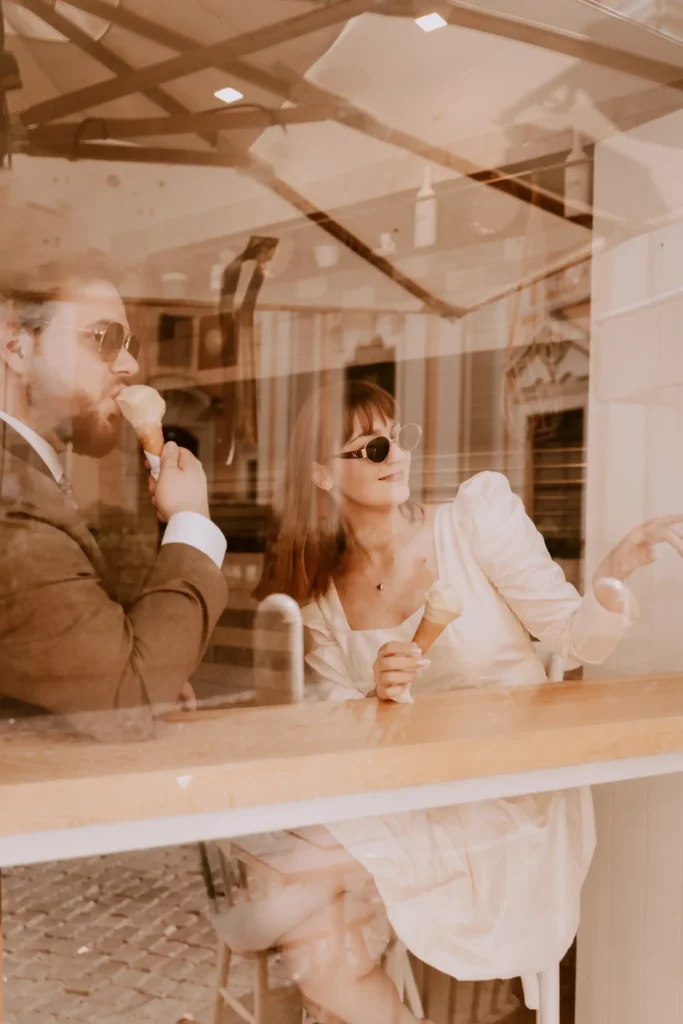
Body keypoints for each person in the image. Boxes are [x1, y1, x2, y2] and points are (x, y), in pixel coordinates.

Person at [248, 378, 683, 1024]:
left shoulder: (473, 520)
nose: (394, 457)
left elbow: (572, 636)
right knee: (302, 921)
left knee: (289, 889)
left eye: (398, 440)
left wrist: (612, 576)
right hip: (411, 790)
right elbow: (336, 724)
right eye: (369, 449)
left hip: (512, 793)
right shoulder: (321, 600)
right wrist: (375, 692)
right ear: (320, 474)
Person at [0, 268, 228, 740]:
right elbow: (126, 701)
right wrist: (191, 523)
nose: (129, 367)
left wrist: (153, 669)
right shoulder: (11, 502)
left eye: (131, 345)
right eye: (105, 339)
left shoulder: (29, 482)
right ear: (16, 347)